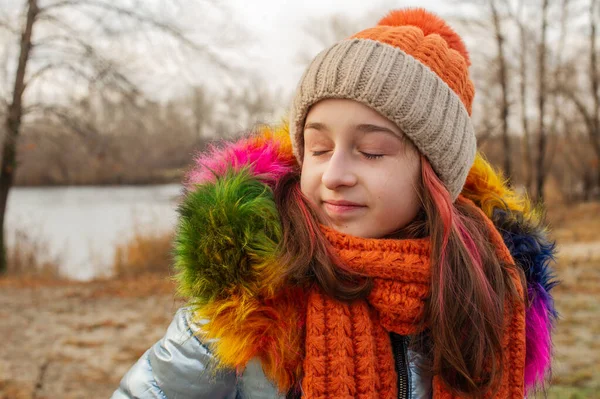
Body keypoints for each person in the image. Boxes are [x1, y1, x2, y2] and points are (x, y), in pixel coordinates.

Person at [111, 8, 557, 399]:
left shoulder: (485, 291)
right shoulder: (254, 298)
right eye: (319, 149)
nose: (335, 175)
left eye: (373, 151)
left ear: (435, 178)